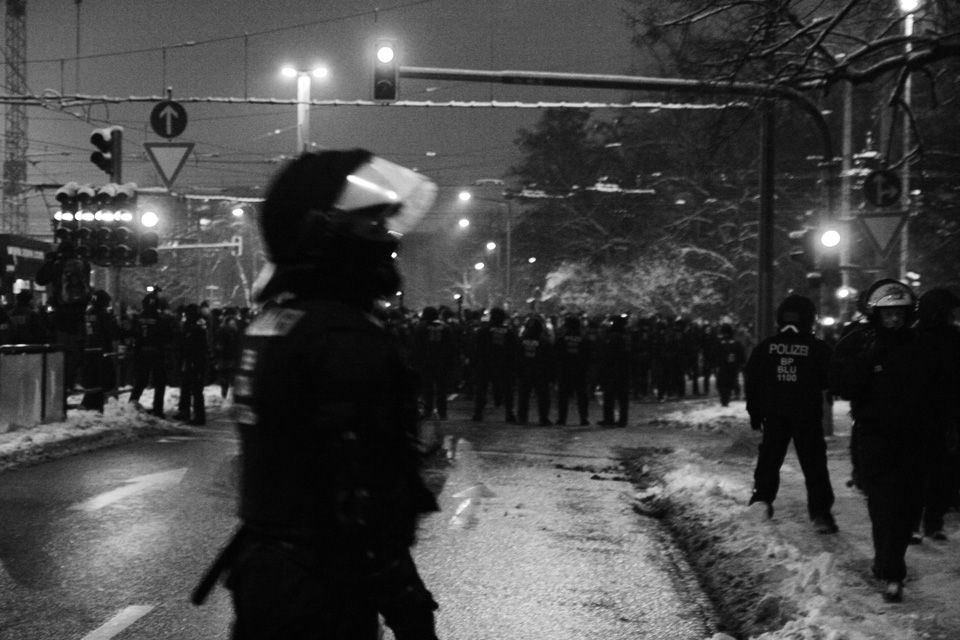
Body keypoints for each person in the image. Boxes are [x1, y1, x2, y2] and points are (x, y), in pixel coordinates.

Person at [192, 149, 441, 640]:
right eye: (371, 223)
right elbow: (361, 498)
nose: (387, 240)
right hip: (325, 594)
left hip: (269, 580)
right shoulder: (345, 338)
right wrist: (410, 608)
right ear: (325, 230)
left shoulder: (278, 322)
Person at [830, 278, 955, 603]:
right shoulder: (862, 344)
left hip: (916, 438)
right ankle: (891, 567)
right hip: (875, 437)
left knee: (908, 503)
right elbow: (844, 385)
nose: (894, 320)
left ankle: (890, 559)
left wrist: (940, 429)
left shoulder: (922, 345)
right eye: (887, 314)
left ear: (908, 312)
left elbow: (942, 390)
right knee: (883, 502)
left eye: (899, 313)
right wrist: (869, 358)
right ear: (876, 315)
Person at [744, 294, 838, 534]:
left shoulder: (766, 348)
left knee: (769, 461)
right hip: (806, 416)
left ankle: (761, 502)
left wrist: (754, 412)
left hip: (775, 416)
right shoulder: (818, 349)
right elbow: (833, 378)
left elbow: (752, 381)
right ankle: (820, 514)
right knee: (814, 465)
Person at [911, 288, 960, 542]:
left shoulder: (952, 338)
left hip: (943, 415)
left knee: (941, 471)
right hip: (921, 415)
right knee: (916, 472)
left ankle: (933, 522)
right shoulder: (914, 338)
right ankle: (914, 523)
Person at [128, 289, 171, 418]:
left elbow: (134, 334)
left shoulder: (139, 319)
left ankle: (131, 404)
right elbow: (167, 336)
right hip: (157, 353)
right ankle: (158, 410)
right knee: (159, 382)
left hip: (141, 352)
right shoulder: (161, 319)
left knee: (140, 381)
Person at [471, 307, 518, 423]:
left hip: (485, 364)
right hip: (503, 365)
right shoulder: (508, 332)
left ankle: (478, 413)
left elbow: (476, 349)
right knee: (507, 390)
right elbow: (514, 350)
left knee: (482, 389)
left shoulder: (483, 331)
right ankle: (509, 414)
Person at [411, 306, 456, 420]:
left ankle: (428, 411)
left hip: (427, 362)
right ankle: (442, 412)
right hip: (442, 362)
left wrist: (416, 361)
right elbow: (451, 346)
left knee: (428, 389)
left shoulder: (422, 328)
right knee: (442, 389)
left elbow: (417, 347)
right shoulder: (446, 328)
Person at [80, 290, 119, 412]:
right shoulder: (104, 315)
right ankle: (95, 406)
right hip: (101, 351)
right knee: (104, 380)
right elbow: (113, 332)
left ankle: (89, 404)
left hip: (87, 350)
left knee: (92, 380)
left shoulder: (86, 313)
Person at [515, 315, 554, 426]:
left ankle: (522, 417)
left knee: (524, 395)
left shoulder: (521, 340)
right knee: (543, 396)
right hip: (540, 372)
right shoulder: (544, 342)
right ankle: (543, 418)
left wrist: (517, 371)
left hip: (526, 371)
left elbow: (517, 356)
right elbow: (550, 359)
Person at [175, 303, 209, 426]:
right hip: (191, 360)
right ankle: (184, 411)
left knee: (195, 389)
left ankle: (199, 416)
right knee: (186, 386)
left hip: (196, 361)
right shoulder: (191, 326)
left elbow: (195, 345)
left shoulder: (197, 327)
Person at [555, 314, 591, 426]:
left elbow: (557, 354)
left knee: (563, 396)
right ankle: (583, 418)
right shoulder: (583, 338)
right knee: (582, 395)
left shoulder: (562, 338)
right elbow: (587, 354)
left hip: (565, 370)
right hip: (580, 370)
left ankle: (562, 419)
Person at [598, 315, 630, 426]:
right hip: (624, 369)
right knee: (622, 397)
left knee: (610, 395)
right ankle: (622, 420)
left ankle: (609, 419)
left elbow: (609, 354)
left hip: (613, 369)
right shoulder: (626, 336)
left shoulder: (614, 337)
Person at [714, 324, 746, 407]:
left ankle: (725, 400)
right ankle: (726, 399)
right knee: (728, 384)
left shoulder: (721, 342)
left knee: (722, 385)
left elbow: (716, 354)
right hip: (733, 367)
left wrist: (715, 364)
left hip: (724, 367)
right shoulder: (736, 343)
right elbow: (742, 355)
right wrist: (742, 364)